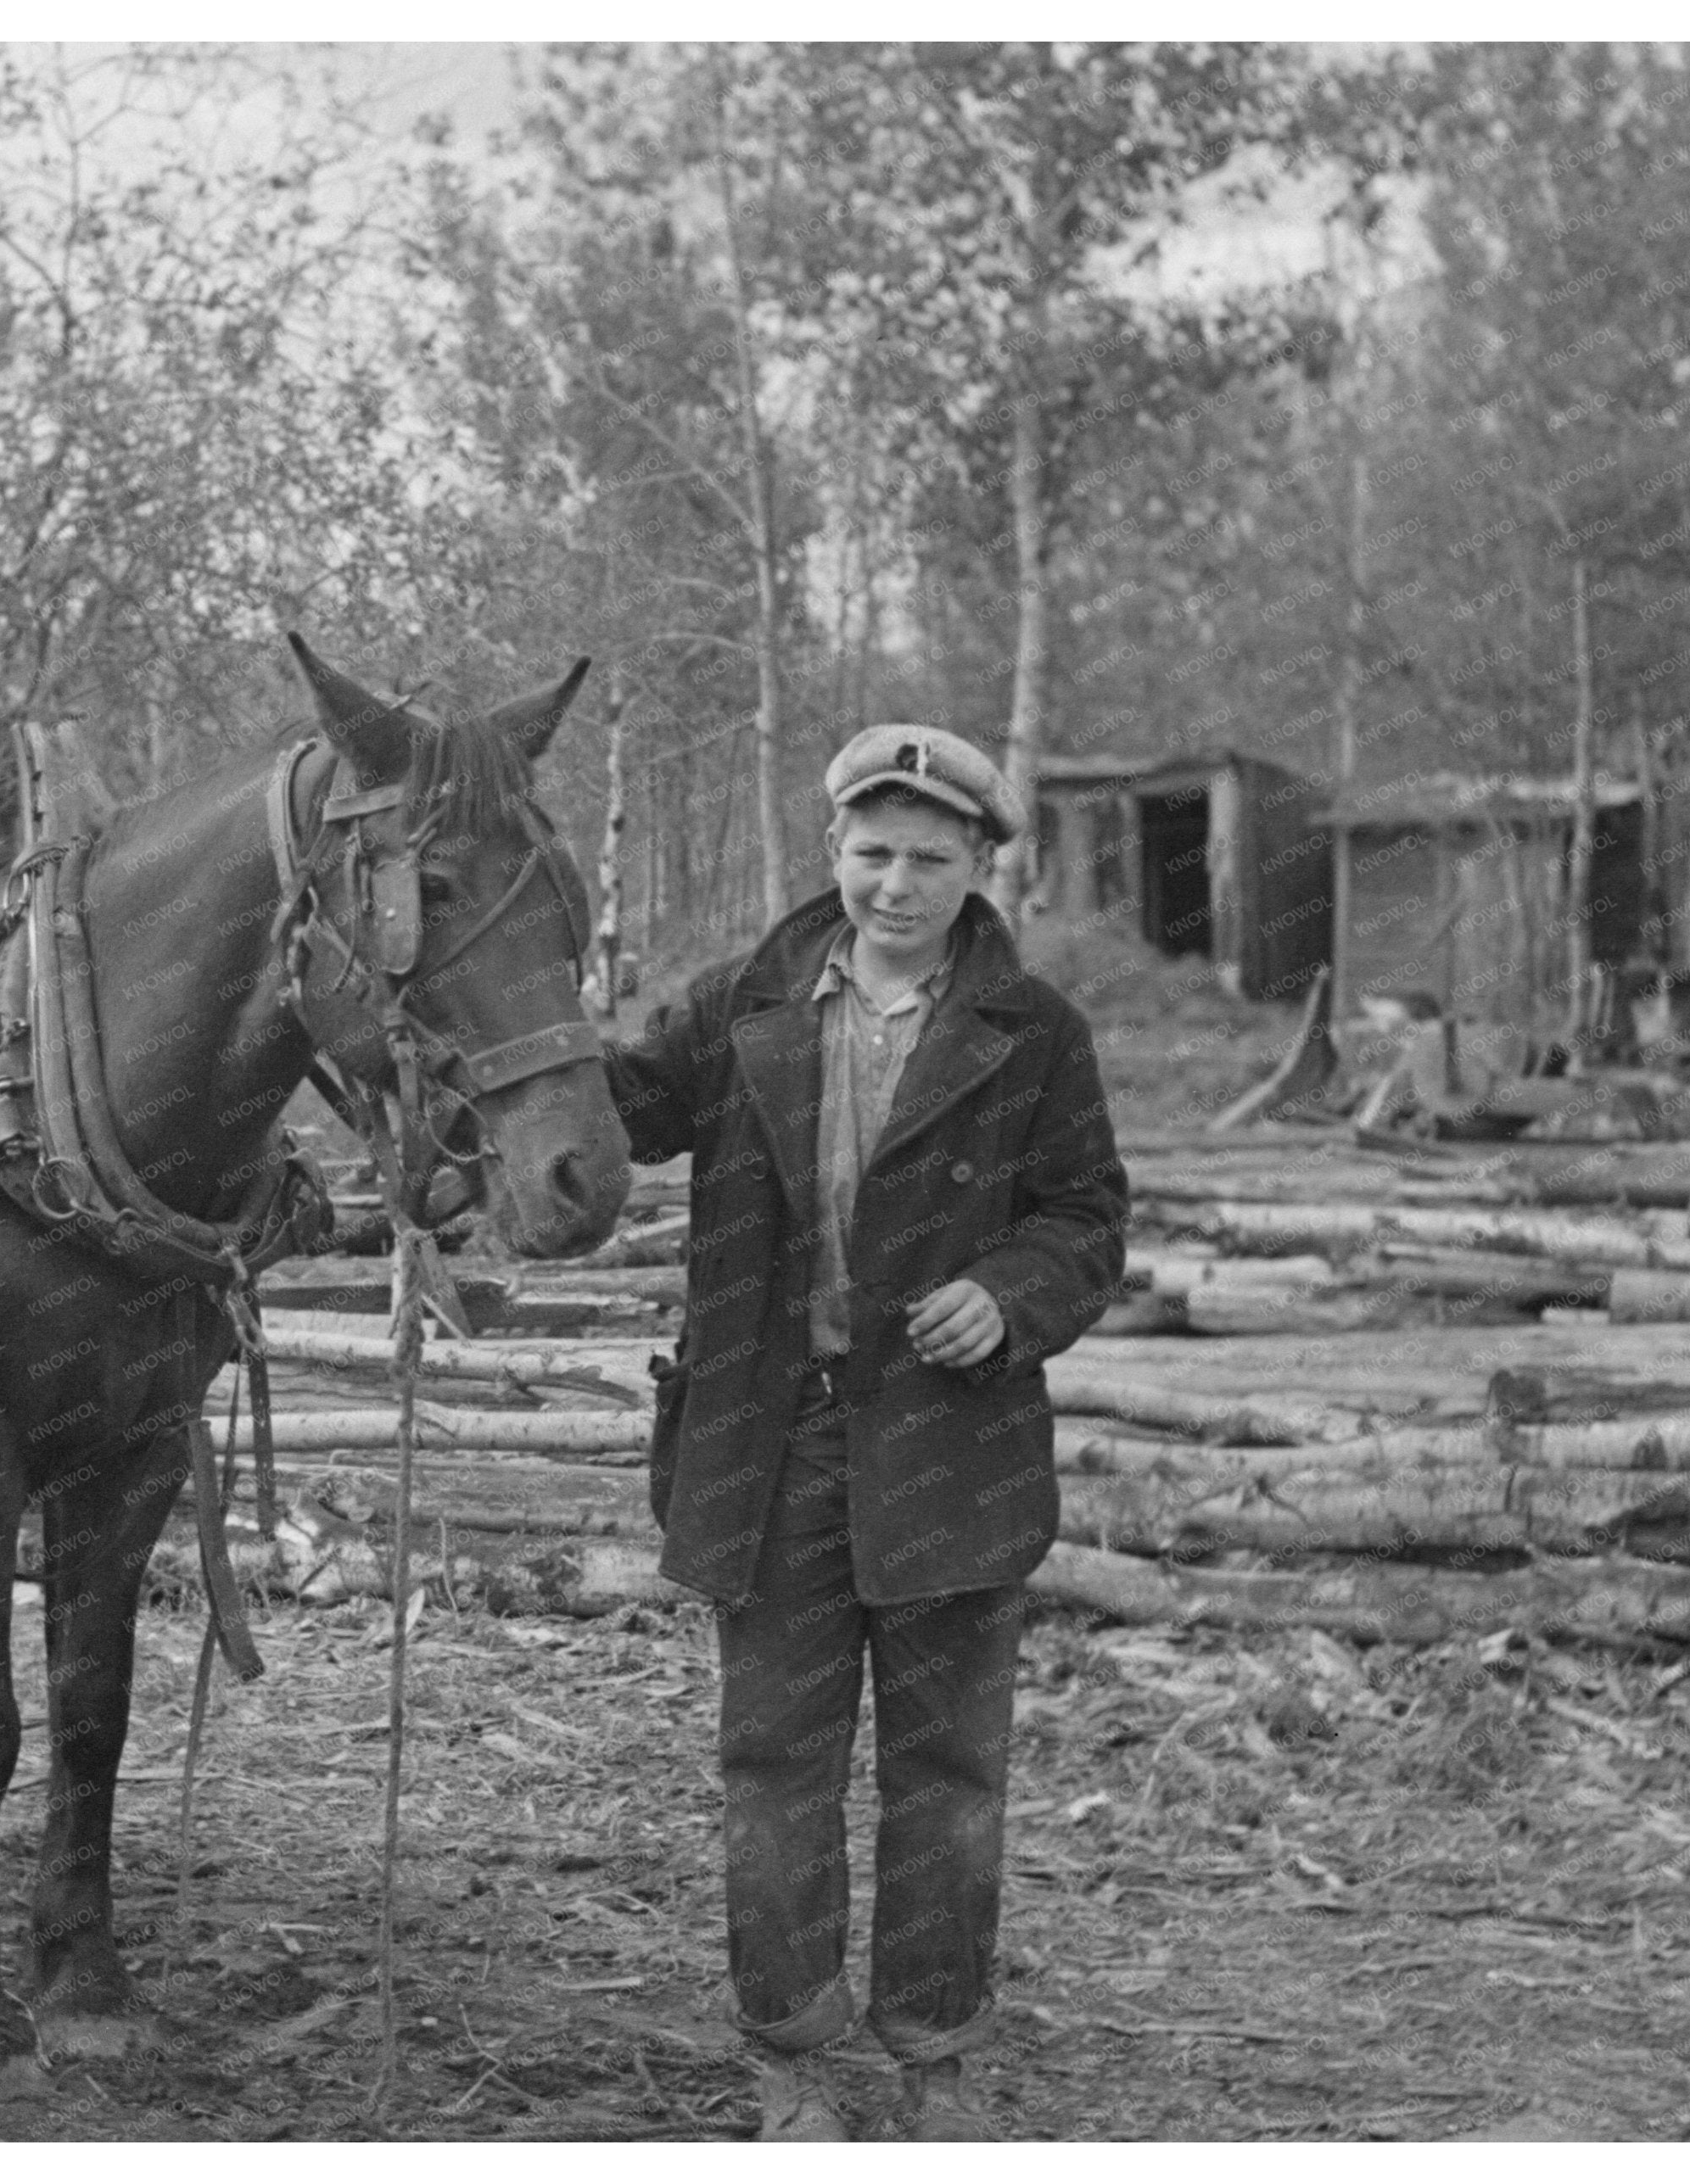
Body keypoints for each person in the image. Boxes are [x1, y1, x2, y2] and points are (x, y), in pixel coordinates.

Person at [607, 724, 1128, 2141]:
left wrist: (1008, 1296)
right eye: (871, 853)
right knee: (774, 1767)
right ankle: (788, 2057)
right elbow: (612, 1119)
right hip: (770, 1450)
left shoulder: (1034, 1035)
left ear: (978, 867)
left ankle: (933, 2053)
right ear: (833, 850)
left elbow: (1088, 1221)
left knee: (948, 1776)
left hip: (951, 1455)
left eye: (929, 859)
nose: (895, 885)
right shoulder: (739, 1005)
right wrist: (504, 1056)